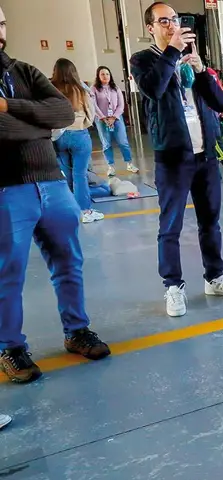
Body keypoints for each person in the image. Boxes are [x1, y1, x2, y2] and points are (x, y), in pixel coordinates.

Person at [0, 6, 111, 384]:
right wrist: (36, 124)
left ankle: (76, 331)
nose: (0, 29)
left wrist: (8, 108)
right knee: (7, 274)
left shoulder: (25, 70)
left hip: (52, 183)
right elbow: (41, 121)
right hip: (7, 189)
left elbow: (63, 112)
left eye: (2, 21)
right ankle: (11, 348)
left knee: (68, 263)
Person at [130, 1, 223, 317]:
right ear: (151, 27)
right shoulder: (142, 60)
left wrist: (201, 71)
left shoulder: (190, 59)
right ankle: (173, 287)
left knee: (210, 221)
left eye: (175, 19)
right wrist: (172, 53)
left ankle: (215, 276)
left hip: (205, 155)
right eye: (164, 20)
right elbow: (153, 89)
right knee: (170, 225)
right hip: (173, 157)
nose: (171, 25)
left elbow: (220, 102)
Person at [51, 58, 105, 223]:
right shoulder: (81, 90)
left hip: (58, 136)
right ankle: (85, 212)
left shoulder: (50, 90)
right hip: (79, 134)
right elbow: (91, 114)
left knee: (66, 175)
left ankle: (71, 210)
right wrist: (82, 125)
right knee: (80, 175)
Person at [90, 65, 139, 176]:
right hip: (102, 119)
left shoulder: (115, 88)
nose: (105, 76)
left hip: (116, 118)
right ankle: (110, 166)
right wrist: (103, 117)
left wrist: (114, 117)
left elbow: (121, 105)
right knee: (106, 143)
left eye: (107, 74)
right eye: (102, 74)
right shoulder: (94, 89)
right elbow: (94, 105)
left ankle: (129, 164)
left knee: (123, 142)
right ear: (98, 76)